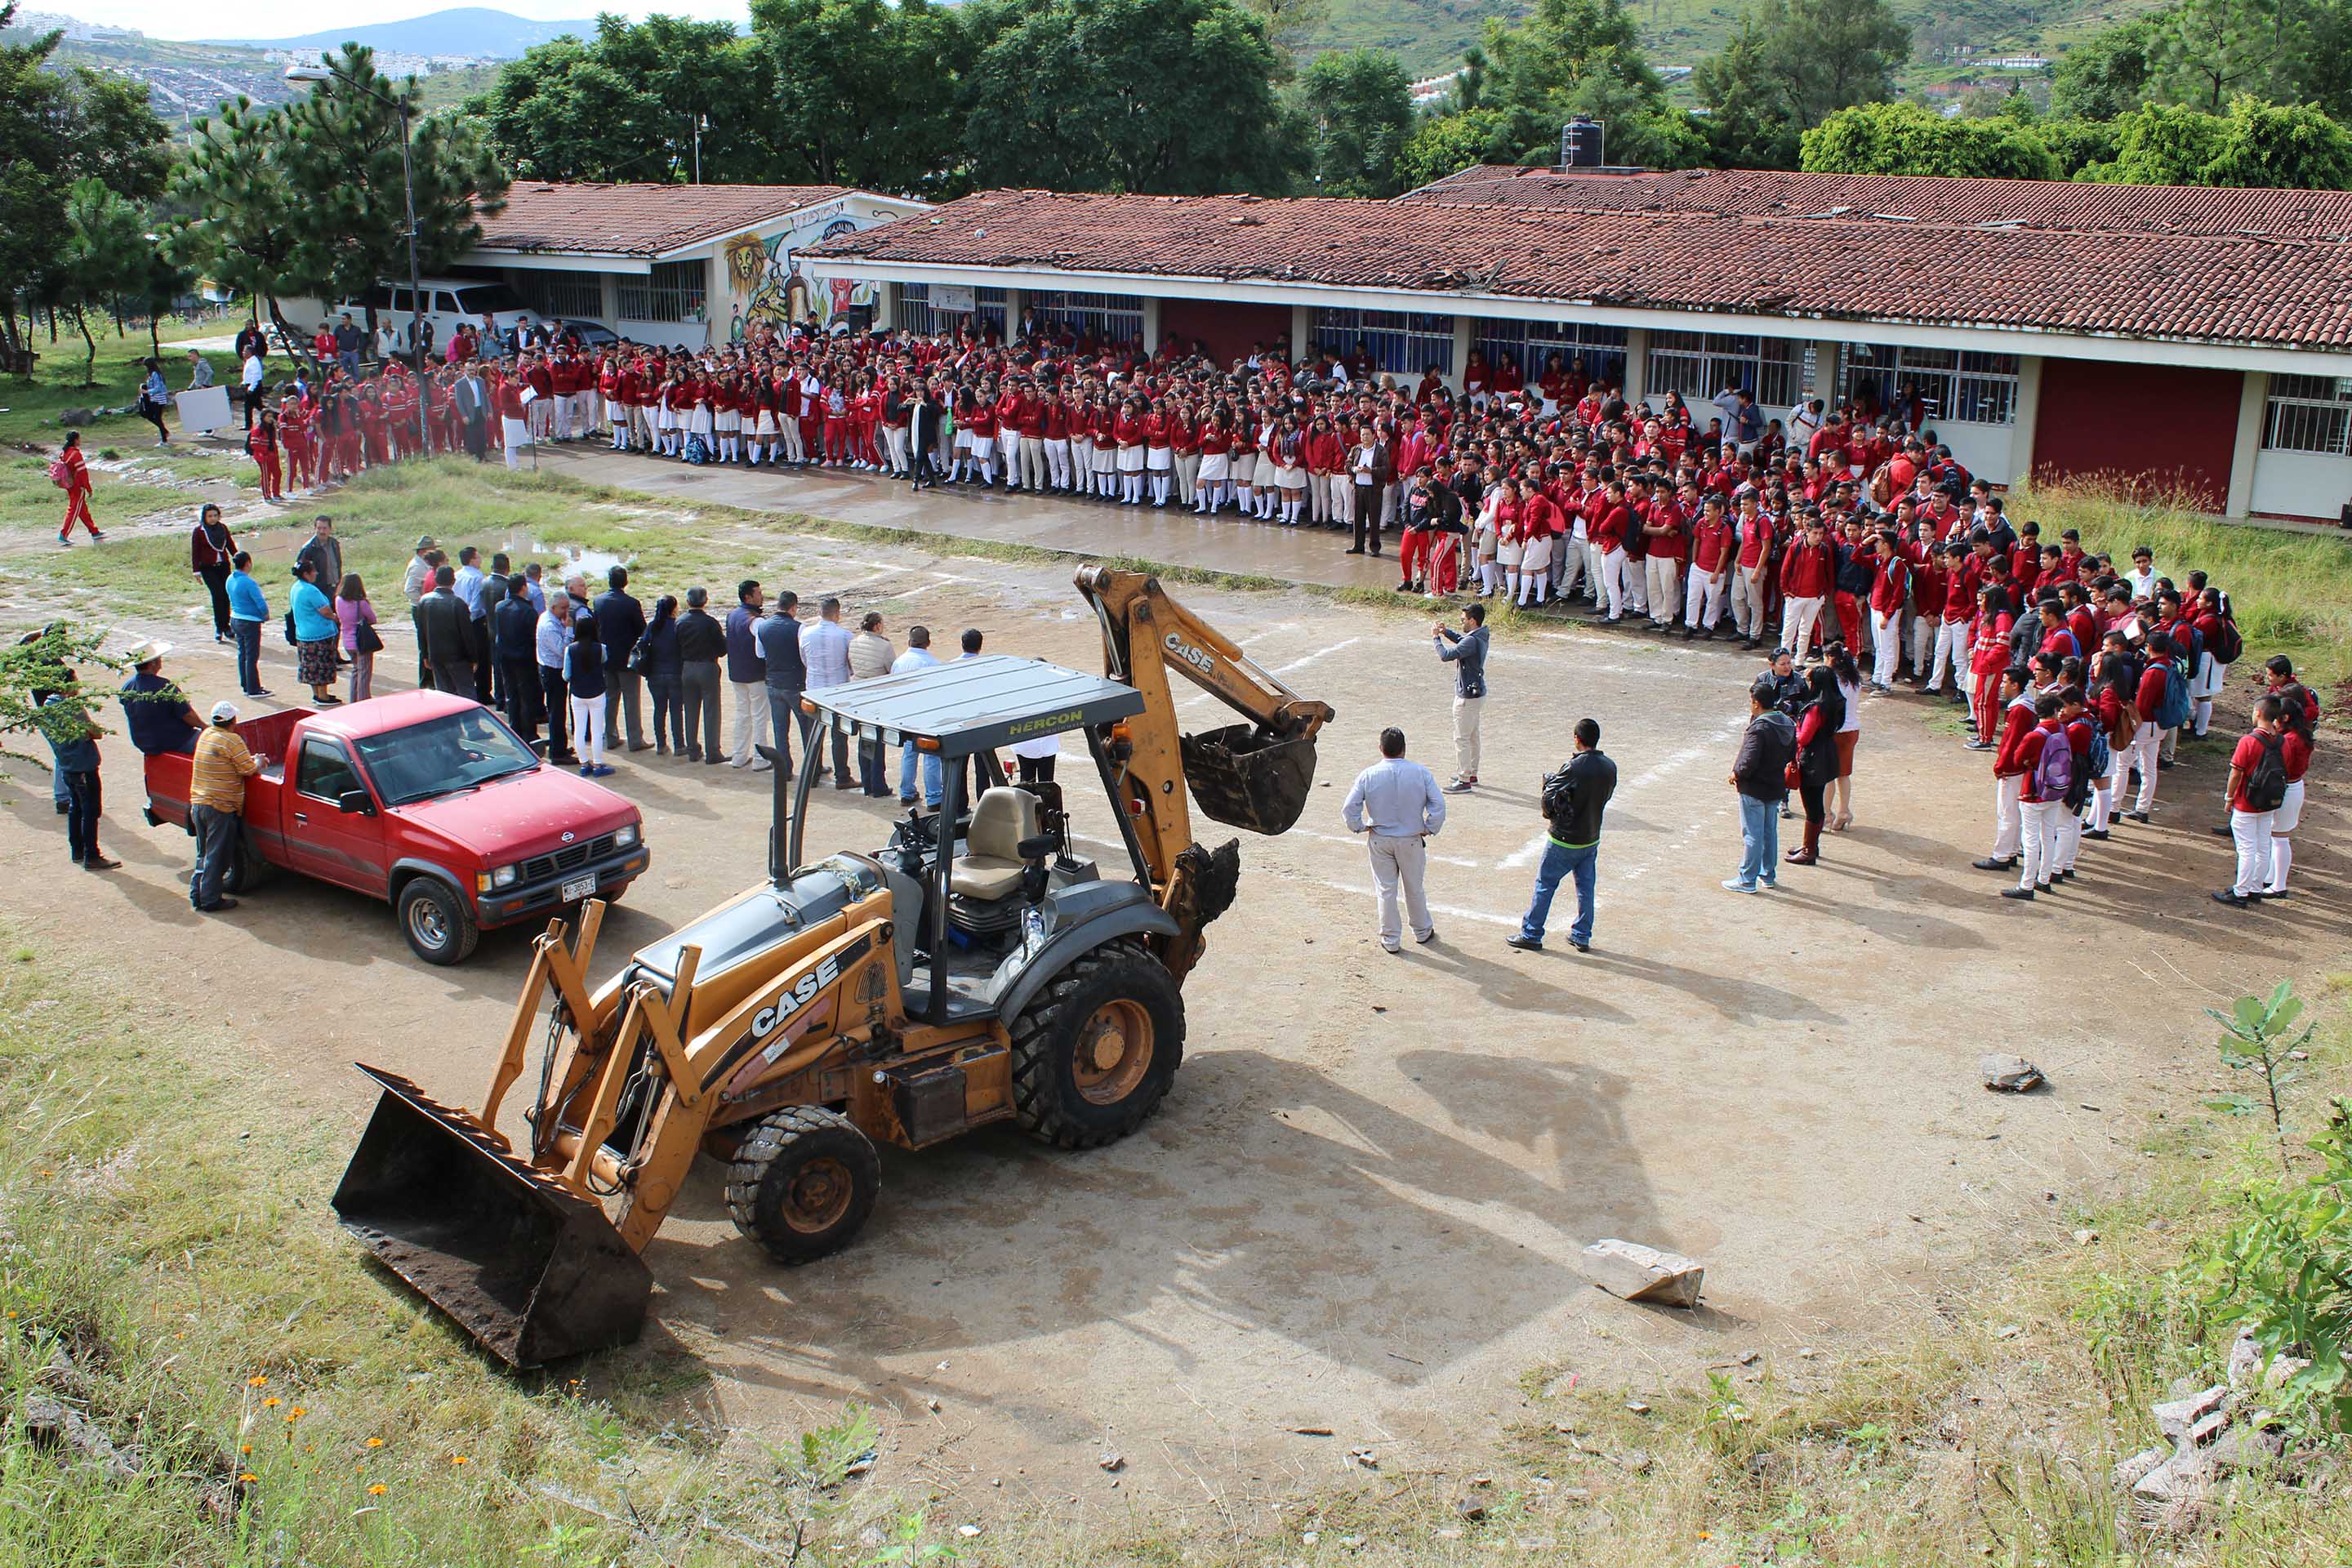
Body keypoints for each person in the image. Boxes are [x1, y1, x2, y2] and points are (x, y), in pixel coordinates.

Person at [1508, 717, 1616, 952]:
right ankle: (1582, 935)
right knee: (1586, 888)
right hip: (1591, 837)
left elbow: (1549, 799)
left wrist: (1548, 786)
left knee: (1545, 885)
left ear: (1577, 739)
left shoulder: (1573, 767)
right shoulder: (1610, 766)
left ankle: (1532, 933)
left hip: (1564, 840)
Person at [1341, 726, 1446, 955]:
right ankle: (1421, 931)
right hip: (1410, 839)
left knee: (1386, 889)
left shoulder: (1368, 774)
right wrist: (1429, 828)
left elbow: (1350, 807)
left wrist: (1360, 827)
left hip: (1380, 838)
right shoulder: (1420, 772)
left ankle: (1390, 939)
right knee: (1414, 888)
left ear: (1381, 749)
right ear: (1404, 749)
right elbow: (1438, 805)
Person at [189, 700, 266, 914]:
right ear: (233, 720)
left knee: (203, 853)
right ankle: (210, 900)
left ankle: (198, 895)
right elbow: (248, 769)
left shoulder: (205, 735)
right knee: (217, 856)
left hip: (199, 803)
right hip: (220, 807)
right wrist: (258, 761)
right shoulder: (232, 740)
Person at [1725, 675, 1797, 893]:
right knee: (1769, 833)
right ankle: (1768, 875)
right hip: (1775, 784)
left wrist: (1736, 774)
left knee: (1752, 835)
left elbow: (1748, 760)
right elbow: (1792, 752)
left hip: (1755, 787)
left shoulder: (1759, 728)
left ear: (1756, 703)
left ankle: (1747, 880)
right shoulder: (1787, 724)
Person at [2002, 693, 2069, 901]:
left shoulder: (2034, 735)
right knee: (2048, 835)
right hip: (2056, 790)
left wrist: (2030, 763)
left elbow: (2018, 758)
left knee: (2030, 839)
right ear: (2055, 711)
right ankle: (2044, 879)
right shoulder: (2061, 729)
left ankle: (2027, 884)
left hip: (2033, 790)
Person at [38, 690, 114, 870]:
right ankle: (92, 855)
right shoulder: (71, 707)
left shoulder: (46, 707)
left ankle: (78, 850)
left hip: (67, 764)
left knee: (76, 807)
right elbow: (96, 732)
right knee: (90, 810)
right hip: (83, 766)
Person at [1784, 666, 1843, 867]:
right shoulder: (1836, 702)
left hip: (1812, 759)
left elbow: (1804, 737)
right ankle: (1811, 846)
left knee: (1812, 806)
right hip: (1827, 754)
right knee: (1816, 804)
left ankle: (1809, 850)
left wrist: (1796, 727)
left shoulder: (1816, 707)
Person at [1433, 602, 1487, 794]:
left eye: (1463, 619)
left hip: (1467, 697)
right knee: (1473, 735)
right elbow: (1463, 641)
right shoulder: (1481, 634)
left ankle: (1464, 780)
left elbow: (1446, 655)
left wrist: (1436, 638)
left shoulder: (1472, 641)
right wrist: (1447, 632)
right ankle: (1471, 773)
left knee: (1462, 738)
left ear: (1472, 620)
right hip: (1477, 693)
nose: (1462, 622)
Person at [594, 565, 648, 753]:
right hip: (627, 660)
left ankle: (610, 736)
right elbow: (643, 630)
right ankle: (635, 740)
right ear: (625, 581)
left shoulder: (598, 601)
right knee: (631, 700)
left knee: (610, 699)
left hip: (606, 659)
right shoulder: (631, 603)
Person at [755, 590, 808, 782]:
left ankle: (784, 769)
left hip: (773, 683)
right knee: (806, 728)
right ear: (793, 608)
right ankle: (812, 768)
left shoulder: (763, 627)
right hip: (795, 684)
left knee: (780, 729)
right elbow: (804, 657)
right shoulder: (799, 628)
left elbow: (760, 654)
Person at [801, 596, 854, 785]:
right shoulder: (845, 635)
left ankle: (812, 774)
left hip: (814, 690)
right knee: (839, 735)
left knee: (814, 734)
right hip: (837, 691)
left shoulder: (806, 633)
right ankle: (842, 776)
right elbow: (851, 665)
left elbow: (804, 660)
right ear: (837, 614)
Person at [890, 626, 944, 808]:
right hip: (928, 716)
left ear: (909, 642)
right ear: (928, 643)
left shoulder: (899, 663)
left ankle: (906, 793)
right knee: (931, 757)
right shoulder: (933, 664)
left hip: (906, 715)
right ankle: (935, 797)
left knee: (909, 753)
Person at [117, 641, 202, 756]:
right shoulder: (164, 686)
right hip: (175, 740)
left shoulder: (127, 687)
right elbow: (188, 715)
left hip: (144, 742)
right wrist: (205, 727)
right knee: (214, 745)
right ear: (153, 663)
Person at [677, 586, 727, 764]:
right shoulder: (710, 623)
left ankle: (692, 750)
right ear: (705, 601)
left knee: (690, 710)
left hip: (687, 668)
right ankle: (713, 752)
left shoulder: (680, 621)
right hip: (708, 667)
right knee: (711, 711)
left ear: (688, 602)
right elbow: (722, 649)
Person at [725, 579, 771, 770]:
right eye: (758, 593)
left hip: (737, 674)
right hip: (756, 675)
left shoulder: (732, 615)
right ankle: (761, 759)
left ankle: (739, 756)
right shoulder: (756, 621)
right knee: (760, 717)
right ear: (748, 597)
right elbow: (765, 647)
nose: (761, 596)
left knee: (743, 715)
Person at [849, 610, 895, 794]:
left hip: (858, 695)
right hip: (876, 696)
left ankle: (868, 782)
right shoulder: (884, 646)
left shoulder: (854, 642)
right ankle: (878, 784)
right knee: (877, 740)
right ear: (877, 626)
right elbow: (892, 670)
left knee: (864, 739)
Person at [417, 564, 478, 697]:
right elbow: (467, 635)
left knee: (444, 695)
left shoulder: (424, 601)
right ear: (453, 581)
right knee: (467, 695)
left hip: (436, 656)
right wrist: (473, 657)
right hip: (458, 658)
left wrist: (425, 655)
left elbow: (421, 632)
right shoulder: (458, 604)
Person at [493, 577, 542, 742]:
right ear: (523, 588)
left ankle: (515, 730)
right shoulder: (528, 611)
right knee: (527, 696)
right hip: (524, 658)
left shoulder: (500, 607)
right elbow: (533, 637)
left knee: (512, 694)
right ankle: (529, 733)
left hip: (505, 657)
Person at [566, 611, 612, 777]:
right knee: (597, 730)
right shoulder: (601, 648)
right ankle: (598, 764)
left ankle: (584, 763)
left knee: (579, 730)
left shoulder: (570, 649)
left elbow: (566, 675)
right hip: (597, 692)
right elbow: (604, 662)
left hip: (577, 693)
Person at [290, 559, 342, 706]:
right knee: (321, 666)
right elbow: (325, 610)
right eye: (313, 571)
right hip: (318, 634)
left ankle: (317, 694)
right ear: (306, 574)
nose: (316, 573)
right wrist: (335, 617)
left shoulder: (296, 587)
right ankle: (323, 696)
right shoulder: (310, 590)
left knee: (311, 667)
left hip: (303, 633)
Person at [639, 595, 684, 755]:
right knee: (676, 710)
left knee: (659, 709)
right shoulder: (677, 625)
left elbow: (642, 645)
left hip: (655, 674)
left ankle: (661, 744)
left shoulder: (653, 626)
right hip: (675, 673)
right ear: (673, 608)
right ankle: (679, 745)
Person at [536, 590, 577, 764]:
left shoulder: (551, 619)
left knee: (558, 712)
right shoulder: (550, 625)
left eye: (568, 607)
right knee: (557, 713)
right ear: (553, 607)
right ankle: (557, 753)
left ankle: (559, 746)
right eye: (563, 608)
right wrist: (569, 629)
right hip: (553, 672)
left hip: (552, 670)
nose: (566, 611)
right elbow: (563, 651)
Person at [190, 506, 238, 644]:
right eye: (210, 516)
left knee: (226, 595)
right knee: (217, 595)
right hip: (207, 568)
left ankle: (227, 626)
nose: (213, 519)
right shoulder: (199, 531)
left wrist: (239, 559)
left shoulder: (222, 528)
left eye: (215, 516)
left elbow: (230, 545)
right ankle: (219, 627)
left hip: (223, 566)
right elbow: (195, 552)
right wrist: (196, 571)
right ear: (204, 517)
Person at [225, 550, 270, 697]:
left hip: (235, 619)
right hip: (249, 622)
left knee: (242, 654)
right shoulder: (249, 582)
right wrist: (265, 614)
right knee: (251, 656)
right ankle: (254, 689)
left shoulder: (230, 579)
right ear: (248, 563)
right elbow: (260, 602)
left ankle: (246, 686)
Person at [56, 430, 101, 546]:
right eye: (79, 439)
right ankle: (64, 535)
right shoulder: (76, 454)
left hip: (69, 485)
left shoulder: (64, 452)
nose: (80, 441)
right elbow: (83, 473)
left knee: (82, 509)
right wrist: (88, 487)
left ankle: (94, 531)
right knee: (74, 510)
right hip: (77, 486)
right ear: (76, 440)